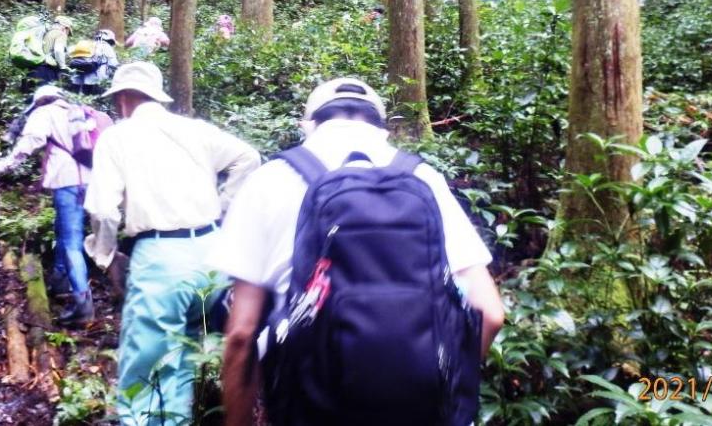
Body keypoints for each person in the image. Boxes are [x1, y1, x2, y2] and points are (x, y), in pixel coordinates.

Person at [210, 77, 505, 426]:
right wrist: (444, 389)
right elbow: (489, 313)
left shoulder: (269, 179)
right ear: (383, 130)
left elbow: (241, 334)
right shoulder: (424, 178)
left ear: (308, 125)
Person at [82, 62, 260, 424]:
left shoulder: (118, 136)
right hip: (213, 254)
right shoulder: (194, 130)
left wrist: (103, 255)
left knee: (147, 374)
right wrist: (222, 210)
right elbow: (249, 158)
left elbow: (103, 210)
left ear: (123, 99)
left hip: (160, 258)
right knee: (181, 358)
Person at [0, 85, 104, 326]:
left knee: (71, 240)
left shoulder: (44, 113)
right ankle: (60, 282)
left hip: (66, 182)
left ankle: (83, 303)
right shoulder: (77, 111)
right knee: (64, 230)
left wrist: (4, 165)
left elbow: (31, 141)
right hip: (90, 181)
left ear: (40, 100)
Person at [68, 29, 120, 95]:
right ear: (111, 40)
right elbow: (114, 64)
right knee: (92, 102)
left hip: (77, 80)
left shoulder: (89, 45)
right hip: (95, 81)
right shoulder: (107, 47)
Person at [31, 16, 75, 84]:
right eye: (68, 32)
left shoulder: (47, 33)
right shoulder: (60, 34)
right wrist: (62, 67)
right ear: (65, 28)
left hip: (34, 67)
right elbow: (58, 50)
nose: (67, 35)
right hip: (46, 70)